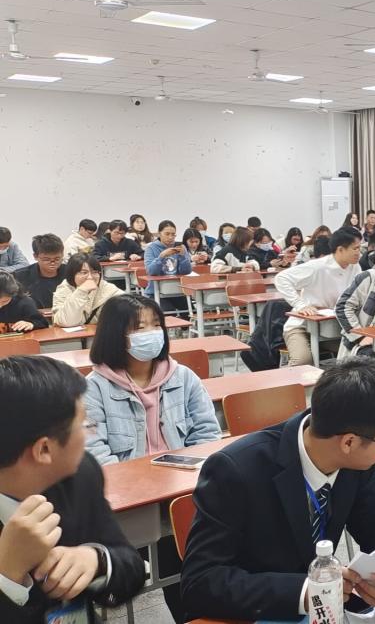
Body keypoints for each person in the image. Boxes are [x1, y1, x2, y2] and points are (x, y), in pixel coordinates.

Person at [180, 359, 375, 622]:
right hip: (251, 614)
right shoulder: (236, 469)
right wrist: (306, 590)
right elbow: (199, 581)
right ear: (349, 442)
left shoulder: (356, 464)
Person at [84, 294, 220, 622]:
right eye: (139, 327)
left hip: (183, 491)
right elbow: (94, 454)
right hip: (131, 502)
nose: (151, 333)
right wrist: (144, 486)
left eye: (156, 324)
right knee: (172, 551)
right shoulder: (93, 388)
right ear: (115, 335)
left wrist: (184, 477)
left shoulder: (182, 377)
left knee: (199, 550)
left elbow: (207, 435)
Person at [0, 355, 146, 622]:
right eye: (84, 425)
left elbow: (131, 565)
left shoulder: (81, 474)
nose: (90, 434)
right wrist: (7, 576)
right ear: (44, 449)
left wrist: (97, 560)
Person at [277, 229, 363, 366]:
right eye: (355, 248)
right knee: (302, 361)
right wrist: (300, 305)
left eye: (360, 248)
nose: (359, 252)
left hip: (333, 327)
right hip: (302, 326)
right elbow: (281, 278)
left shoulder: (355, 267)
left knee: (360, 354)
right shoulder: (318, 266)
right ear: (340, 249)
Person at [52, 255, 124, 328]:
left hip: (101, 333)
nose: (90, 277)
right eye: (84, 272)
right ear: (72, 274)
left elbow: (125, 309)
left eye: (94, 272)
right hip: (72, 335)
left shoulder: (107, 288)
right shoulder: (64, 289)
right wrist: (82, 291)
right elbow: (66, 322)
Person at [143, 221, 192, 312]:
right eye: (167, 234)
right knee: (168, 311)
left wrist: (182, 257)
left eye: (173, 234)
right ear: (159, 234)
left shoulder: (180, 247)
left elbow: (186, 271)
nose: (170, 237)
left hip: (177, 290)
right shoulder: (151, 248)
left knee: (190, 311)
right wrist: (161, 257)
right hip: (156, 291)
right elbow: (151, 271)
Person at [14, 234, 66, 309]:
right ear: (35, 256)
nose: (52, 263)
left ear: (63, 254)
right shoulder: (19, 277)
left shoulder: (72, 273)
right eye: (46, 259)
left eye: (57, 259)